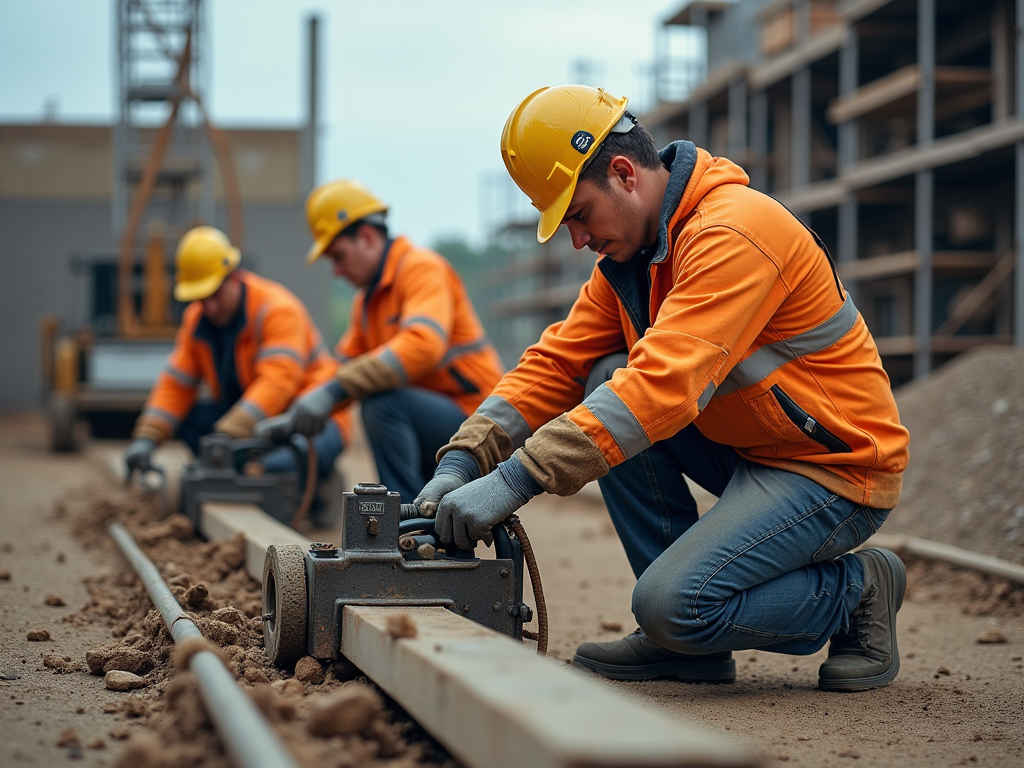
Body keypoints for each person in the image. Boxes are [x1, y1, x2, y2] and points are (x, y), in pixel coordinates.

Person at [414, 85, 911, 692]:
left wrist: (516, 479)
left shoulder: (734, 232)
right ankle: (689, 647)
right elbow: (554, 364)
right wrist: (465, 460)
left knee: (672, 603)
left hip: (832, 468)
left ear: (624, 173)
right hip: (755, 452)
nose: (576, 240)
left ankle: (857, 592)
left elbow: (661, 388)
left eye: (577, 215)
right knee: (600, 376)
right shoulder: (636, 261)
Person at [256, 180, 505, 504]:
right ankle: (417, 519)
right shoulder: (367, 304)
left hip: (478, 422)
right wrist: (298, 412)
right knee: (382, 400)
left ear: (368, 237)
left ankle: (411, 522)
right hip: (432, 421)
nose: (337, 271)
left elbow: (422, 345)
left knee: (382, 403)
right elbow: (343, 368)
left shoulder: (421, 269)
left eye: (339, 256)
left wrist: (331, 393)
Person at [124, 225, 349, 524]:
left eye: (215, 294)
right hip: (248, 423)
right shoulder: (197, 320)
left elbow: (278, 381)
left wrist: (228, 435)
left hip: (309, 421)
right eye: (201, 298)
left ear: (234, 276)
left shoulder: (277, 309)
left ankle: (320, 485)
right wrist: (147, 438)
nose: (210, 306)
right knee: (187, 419)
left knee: (276, 466)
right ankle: (239, 474)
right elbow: (176, 384)